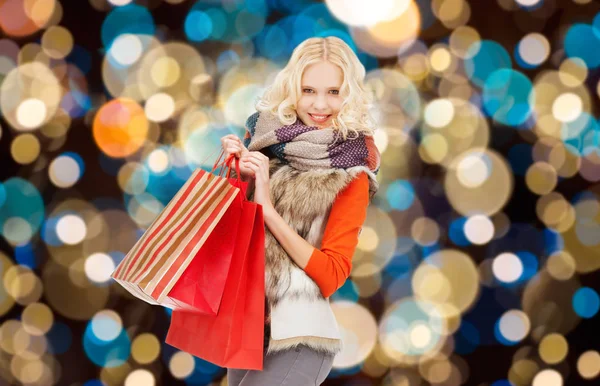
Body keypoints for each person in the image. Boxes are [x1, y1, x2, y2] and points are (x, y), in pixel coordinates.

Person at [219, 36, 381, 386]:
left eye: (334, 92)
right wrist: (236, 175)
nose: (320, 104)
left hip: (300, 339)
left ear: (349, 95)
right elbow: (233, 242)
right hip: (248, 330)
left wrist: (270, 212)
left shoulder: (352, 172)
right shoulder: (265, 144)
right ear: (292, 90)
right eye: (309, 90)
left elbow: (332, 274)